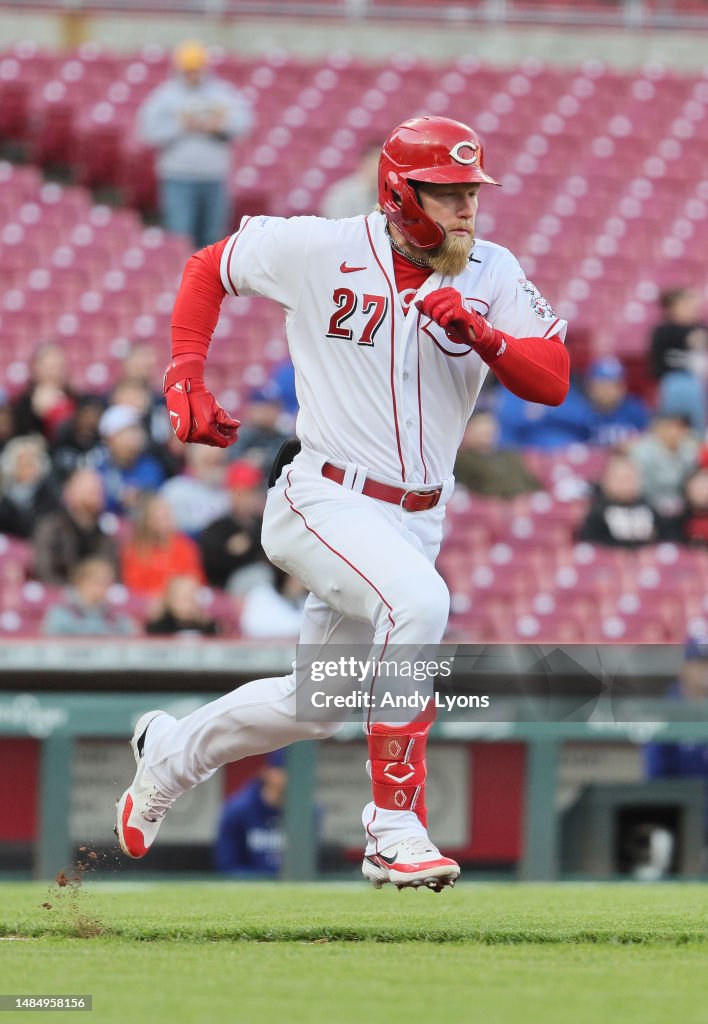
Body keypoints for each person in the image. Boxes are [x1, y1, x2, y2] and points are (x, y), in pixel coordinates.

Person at [116, 115, 570, 891]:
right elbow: (207, 265)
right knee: (421, 605)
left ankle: (168, 754)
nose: (469, 207)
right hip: (323, 496)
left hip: (417, 515)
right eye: (451, 193)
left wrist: (488, 337)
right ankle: (392, 826)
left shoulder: (490, 269)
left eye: (473, 192)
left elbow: (554, 377)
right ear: (401, 193)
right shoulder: (321, 248)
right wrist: (185, 373)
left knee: (316, 704)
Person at [137, 40, 252, 250]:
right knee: (180, 236)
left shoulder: (222, 93)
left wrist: (218, 126)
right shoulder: (165, 96)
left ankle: (207, 283)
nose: (193, 75)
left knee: (212, 239)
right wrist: (181, 126)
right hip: (178, 177)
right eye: (188, 71)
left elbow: (244, 122)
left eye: (196, 70)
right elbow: (149, 132)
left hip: (214, 176)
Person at [645, 636, 708, 847]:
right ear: (685, 668)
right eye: (700, 664)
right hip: (679, 816)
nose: (705, 671)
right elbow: (657, 776)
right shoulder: (667, 710)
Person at [32, 467, 118, 585]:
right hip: (59, 595)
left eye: (99, 490)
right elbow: (44, 571)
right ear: (69, 492)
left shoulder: (105, 536)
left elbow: (111, 574)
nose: (97, 494)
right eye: (90, 490)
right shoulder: (52, 527)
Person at [198, 459, 267, 591]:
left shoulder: (263, 524)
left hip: (265, 595)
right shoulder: (218, 527)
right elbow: (212, 569)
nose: (246, 498)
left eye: (251, 492)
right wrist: (230, 552)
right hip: (227, 593)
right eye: (241, 492)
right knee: (260, 574)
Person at [214, 750, 287, 876]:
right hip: (249, 887)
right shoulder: (238, 809)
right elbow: (227, 865)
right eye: (284, 771)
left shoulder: (310, 812)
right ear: (268, 773)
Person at [120, 493, 205, 598]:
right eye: (157, 519)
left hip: (181, 602)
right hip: (147, 603)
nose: (163, 523)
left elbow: (195, 579)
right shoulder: (135, 549)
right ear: (147, 521)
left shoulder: (185, 546)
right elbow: (134, 586)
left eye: (166, 517)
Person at [649, 288, 707, 433]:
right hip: (673, 384)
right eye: (686, 305)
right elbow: (656, 363)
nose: (692, 310)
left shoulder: (702, 328)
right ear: (672, 308)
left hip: (701, 383)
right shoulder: (663, 331)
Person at [576, 452, 661, 548]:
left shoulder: (650, 508)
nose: (626, 484)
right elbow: (591, 548)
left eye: (630, 478)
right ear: (606, 481)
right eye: (621, 478)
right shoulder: (596, 512)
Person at [95, 404, 166, 514]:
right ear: (110, 439)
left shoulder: (150, 466)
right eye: (127, 432)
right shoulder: (98, 468)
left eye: (136, 431)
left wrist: (141, 497)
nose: (135, 437)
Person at [453, 409, 541, 498]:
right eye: (481, 424)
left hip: (522, 505)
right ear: (468, 430)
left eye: (489, 423)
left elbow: (532, 486)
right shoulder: (461, 460)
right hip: (485, 507)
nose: (487, 428)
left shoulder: (510, 455)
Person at [42, 555, 136, 637]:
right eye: (97, 581)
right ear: (81, 581)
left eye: (106, 583)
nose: (102, 587)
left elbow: (129, 634)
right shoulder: (61, 611)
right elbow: (53, 642)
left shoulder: (114, 613)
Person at [629, 411, 699, 519]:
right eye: (668, 427)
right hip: (649, 505)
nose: (673, 432)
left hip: (685, 508)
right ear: (657, 428)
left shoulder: (690, 450)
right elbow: (639, 486)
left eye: (679, 427)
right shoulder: (642, 451)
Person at [158, 443, 230, 537]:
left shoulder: (229, 491)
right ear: (192, 462)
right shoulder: (175, 489)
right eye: (207, 461)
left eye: (218, 462)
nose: (213, 467)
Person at [0, 434, 59, 538]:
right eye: (21, 464)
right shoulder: (5, 499)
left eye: (30, 464)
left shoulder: (49, 497)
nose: (27, 470)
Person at [584, 357, 649, 447]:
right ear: (591, 387)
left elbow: (648, 441)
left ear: (623, 387)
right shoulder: (581, 412)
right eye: (602, 385)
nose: (607, 391)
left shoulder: (636, 411)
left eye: (614, 385)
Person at [234, 384, 291, 473]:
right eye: (262, 407)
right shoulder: (242, 435)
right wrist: (248, 460)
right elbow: (231, 457)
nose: (267, 412)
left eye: (272, 408)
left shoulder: (285, 437)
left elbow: (286, 461)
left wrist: (264, 459)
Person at [320, 141, 381, 220]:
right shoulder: (342, 193)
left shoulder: (393, 192)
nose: (376, 170)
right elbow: (336, 226)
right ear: (364, 163)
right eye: (373, 164)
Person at [146, 574, 218, 637]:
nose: (188, 602)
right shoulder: (158, 627)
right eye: (183, 597)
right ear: (170, 598)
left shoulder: (207, 626)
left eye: (191, 596)